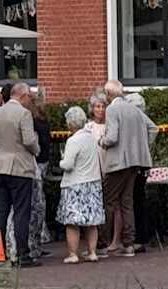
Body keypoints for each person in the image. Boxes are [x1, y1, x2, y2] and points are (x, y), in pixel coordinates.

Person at [0, 79, 42, 268]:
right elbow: (29, 140)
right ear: (23, 96)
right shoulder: (24, 114)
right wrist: (37, 150)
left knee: (0, 211)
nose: (30, 101)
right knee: (21, 212)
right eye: (29, 97)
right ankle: (22, 254)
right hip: (19, 168)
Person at [98, 80, 156, 257]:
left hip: (117, 163)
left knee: (108, 201)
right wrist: (142, 147)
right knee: (127, 202)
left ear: (108, 94)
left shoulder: (112, 109)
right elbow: (152, 127)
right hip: (135, 162)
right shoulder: (134, 109)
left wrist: (101, 141)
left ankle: (102, 245)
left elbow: (112, 137)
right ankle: (129, 244)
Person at [58, 104, 107, 263]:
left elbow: (68, 164)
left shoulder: (73, 140)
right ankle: (92, 252)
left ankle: (73, 254)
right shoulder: (91, 138)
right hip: (93, 183)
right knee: (92, 221)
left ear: (70, 123)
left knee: (72, 222)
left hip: (75, 185)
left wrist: (60, 161)